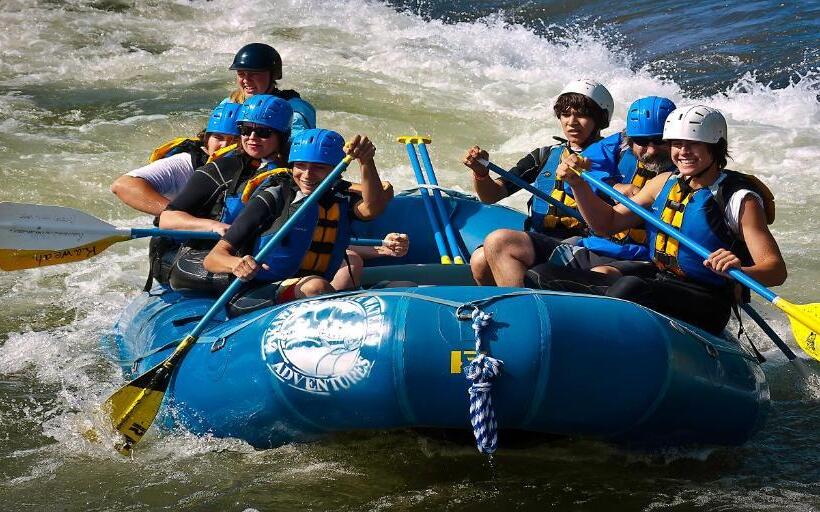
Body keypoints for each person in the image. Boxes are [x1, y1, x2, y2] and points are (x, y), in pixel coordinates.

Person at [525, 105, 786, 334]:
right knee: (541, 275)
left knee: (630, 288)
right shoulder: (663, 183)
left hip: (707, 299)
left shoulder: (739, 198)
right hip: (661, 281)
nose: (683, 152)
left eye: (693, 144)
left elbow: (775, 270)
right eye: (676, 144)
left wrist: (739, 271)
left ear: (715, 147)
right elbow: (607, 224)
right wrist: (578, 184)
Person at [202, 128, 389, 316]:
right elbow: (213, 259)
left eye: (319, 168)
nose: (307, 175)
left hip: (312, 291)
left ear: (335, 171)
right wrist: (235, 263)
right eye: (300, 166)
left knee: (401, 285)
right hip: (257, 294)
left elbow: (372, 208)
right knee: (316, 286)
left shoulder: (339, 198)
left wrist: (366, 161)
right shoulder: (273, 198)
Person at [461, 79, 618, 286]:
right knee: (480, 261)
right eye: (565, 114)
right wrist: (481, 174)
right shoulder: (545, 155)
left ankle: (522, 310)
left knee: (500, 246)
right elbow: (493, 194)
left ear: (600, 119)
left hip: (583, 245)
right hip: (539, 239)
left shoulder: (616, 158)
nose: (571, 122)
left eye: (581, 115)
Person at [158, 94, 293, 292]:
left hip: (256, 258)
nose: (252, 138)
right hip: (201, 256)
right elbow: (167, 219)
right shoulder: (221, 169)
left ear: (282, 136)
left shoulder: (296, 171)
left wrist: (357, 161)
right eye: (246, 130)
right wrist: (212, 225)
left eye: (263, 132)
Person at [554, 96, 677, 277]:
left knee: (599, 275)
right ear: (630, 138)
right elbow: (580, 173)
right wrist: (613, 185)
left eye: (659, 141)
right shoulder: (617, 146)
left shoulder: (684, 164)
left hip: (642, 255)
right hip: (598, 242)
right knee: (508, 242)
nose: (651, 150)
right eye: (642, 142)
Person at [110, 102, 242, 216]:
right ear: (207, 139)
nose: (225, 145)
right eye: (218, 138)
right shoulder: (186, 163)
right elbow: (123, 185)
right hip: (181, 239)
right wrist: (178, 216)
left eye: (235, 140)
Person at [225, 42, 316, 135]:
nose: (246, 80)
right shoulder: (230, 103)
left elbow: (300, 146)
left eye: (254, 73)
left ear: (274, 75)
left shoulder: (294, 110)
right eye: (241, 74)